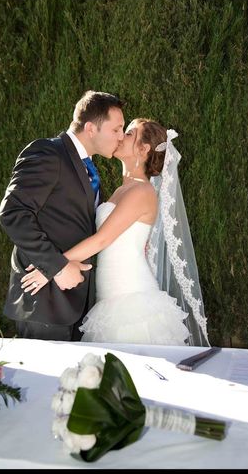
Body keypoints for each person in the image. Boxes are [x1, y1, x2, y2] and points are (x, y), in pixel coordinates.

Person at [20, 118, 208, 346]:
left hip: (131, 298)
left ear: (143, 148)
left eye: (129, 134)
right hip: (108, 296)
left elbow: (103, 239)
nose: (120, 136)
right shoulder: (121, 190)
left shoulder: (142, 191)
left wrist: (51, 267)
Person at [0, 91, 126, 341]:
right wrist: (57, 268)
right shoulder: (48, 152)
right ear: (91, 128)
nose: (121, 137)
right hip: (44, 301)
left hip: (79, 299)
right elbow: (13, 213)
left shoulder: (88, 167)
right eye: (117, 129)